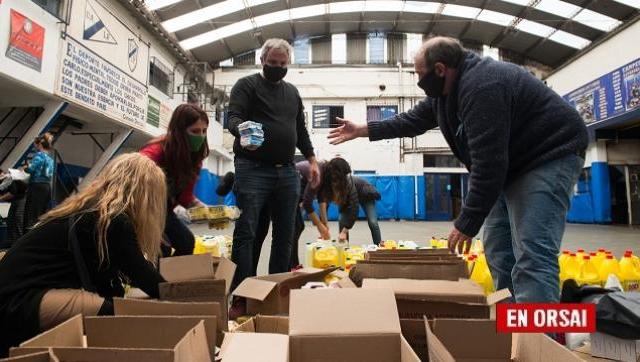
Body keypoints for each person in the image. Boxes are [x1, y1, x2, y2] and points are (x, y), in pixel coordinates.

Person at [328, 36, 588, 303]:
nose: (418, 81)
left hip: (549, 154)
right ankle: (513, 328)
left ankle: (538, 338)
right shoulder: (445, 91)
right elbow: (413, 120)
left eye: (420, 74)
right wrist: (363, 129)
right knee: (499, 248)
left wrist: (467, 222)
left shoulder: (482, 86)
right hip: (513, 164)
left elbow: (489, 164)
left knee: (532, 252)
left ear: (440, 69)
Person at [0, 153, 167, 357]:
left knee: (112, 307)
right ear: (147, 195)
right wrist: (185, 298)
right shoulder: (113, 221)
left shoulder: (91, 213)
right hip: (18, 301)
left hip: (13, 296)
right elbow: (146, 278)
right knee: (117, 316)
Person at [227, 38, 319, 316]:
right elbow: (232, 116)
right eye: (273, 63)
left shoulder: (292, 93)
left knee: (285, 236)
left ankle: (275, 295)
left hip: (287, 171)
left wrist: (312, 158)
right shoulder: (247, 85)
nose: (278, 68)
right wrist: (241, 131)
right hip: (252, 168)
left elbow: (300, 130)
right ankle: (242, 297)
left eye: (282, 64)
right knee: (247, 233)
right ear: (262, 61)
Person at [141, 103, 209, 257]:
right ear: (179, 131)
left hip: (164, 211)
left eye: (204, 131)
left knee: (186, 242)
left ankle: (172, 279)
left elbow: (186, 198)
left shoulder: (194, 159)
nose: (201, 136)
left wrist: (209, 212)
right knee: (160, 250)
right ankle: (155, 280)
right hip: (142, 209)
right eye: (195, 131)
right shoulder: (153, 154)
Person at [215, 171, 270, 276]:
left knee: (252, 242)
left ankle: (248, 276)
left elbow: (220, 192)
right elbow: (220, 192)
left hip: (259, 214)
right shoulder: (236, 177)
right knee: (248, 243)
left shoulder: (237, 177)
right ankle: (246, 276)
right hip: (255, 214)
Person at [320, 174, 382, 245]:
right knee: (341, 219)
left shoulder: (347, 185)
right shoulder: (331, 190)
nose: (335, 203)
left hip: (366, 195)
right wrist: (323, 226)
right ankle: (344, 248)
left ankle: (378, 246)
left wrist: (344, 231)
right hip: (352, 194)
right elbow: (325, 205)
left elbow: (354, 210)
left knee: (373, 222)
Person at [23, 133, 55, 231]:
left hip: (36, 186)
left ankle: (28, 235)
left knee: (31, 213)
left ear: (39, 145)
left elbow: (31, 169)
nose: (35, 147)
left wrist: (26, 167)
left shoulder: (39, 156)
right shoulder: (50, 159)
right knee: (41, 212)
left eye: (35, 145)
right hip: (47, 187)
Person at [0, 178, 27, 247]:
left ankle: (18, 243)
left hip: (22, 198)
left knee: (17, 219)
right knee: (10, 219)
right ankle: (11, 242)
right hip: (16, 199)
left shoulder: (14, 176)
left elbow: (12, 193)